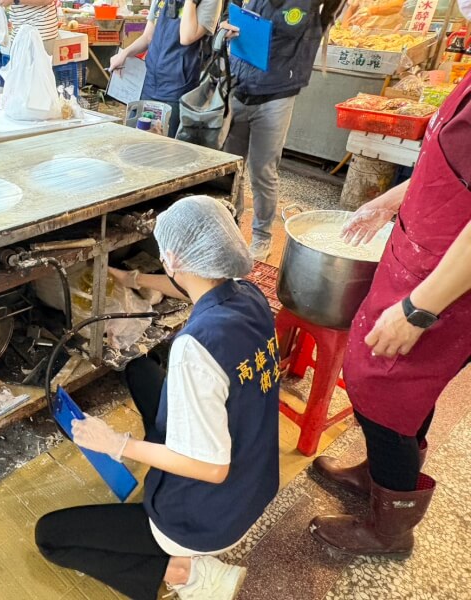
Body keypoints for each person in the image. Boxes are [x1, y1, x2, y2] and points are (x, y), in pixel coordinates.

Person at [34, 196, 281, 600]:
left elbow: (212, 468)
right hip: (255, 484)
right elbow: (192, 285)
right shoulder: (249, 295)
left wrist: (117, 444)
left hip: (205, 518)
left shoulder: (194, 349)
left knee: (50, 536)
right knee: (138, 369)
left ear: (173, 259)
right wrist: (134, 279)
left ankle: (187, 573)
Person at [308, 66, 471, 557]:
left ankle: (390, 530)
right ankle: (379, 475)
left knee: (389, 390)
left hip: (447, 286)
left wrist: (419, 309)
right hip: (420, 260)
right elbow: (447, 171)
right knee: (400, 388)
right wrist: (389, 200)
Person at [220, 0, 344, 261]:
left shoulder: (310, 5)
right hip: (238, 87)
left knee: (262, 171)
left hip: (276, 95)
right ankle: (230, 227)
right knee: (231, 168)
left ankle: (262, 237)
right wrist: (226, 27)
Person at [109, 0, 223, 137]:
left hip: (178, 88)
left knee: (168, 144)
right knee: (140, 139)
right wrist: (124, 54)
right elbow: (148, 37)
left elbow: (187, 37)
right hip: (149, 83)